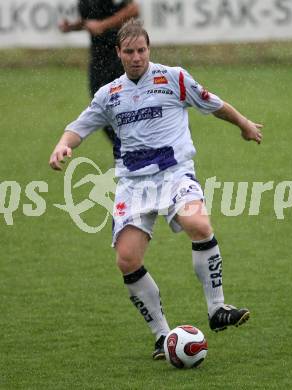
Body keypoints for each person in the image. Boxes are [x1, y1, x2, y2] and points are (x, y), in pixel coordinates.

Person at [49, 19, 263, 360]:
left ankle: (217, 309)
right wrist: (64, 145)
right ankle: (163, 336)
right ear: (118, 52)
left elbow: (213, 103)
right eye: (130, 52)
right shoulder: (109, 94)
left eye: (142, 50)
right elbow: (80, 126)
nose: (137, 57)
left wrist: (244, 123)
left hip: (175, 174)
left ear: (149, 49)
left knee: (199, 225)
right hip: (134, 185)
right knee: (127, 259)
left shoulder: (174, 78)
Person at [58, 0, 139, 142]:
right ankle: (125, 149)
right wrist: (72, 27)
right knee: (101, 105)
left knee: (123, 105)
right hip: (98, 59)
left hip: (120, 56)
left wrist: (103, 25)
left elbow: (133, 10)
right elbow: (92, 20)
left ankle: (132, 149)